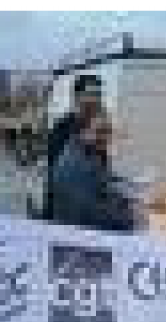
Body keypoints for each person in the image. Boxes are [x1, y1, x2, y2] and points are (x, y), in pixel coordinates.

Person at [49, 108, 138, 232]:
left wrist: (128, 200)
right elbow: (92, 215)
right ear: (82, 132)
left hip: (86, 229)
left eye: (108, 131)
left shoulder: (86, 154)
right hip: (79, 236)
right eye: (100, 131)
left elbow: (105, 184)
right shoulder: (76, 165)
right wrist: (132, 218)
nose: (106, 137)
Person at [43, 74, 104, 220]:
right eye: (91, 94)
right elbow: (58, 175)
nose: (96, 100)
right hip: (64, 213)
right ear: (77, 97)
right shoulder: (61, 128)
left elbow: (100, 171)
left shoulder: (97, 130)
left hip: (89, 212)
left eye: (98, 95)